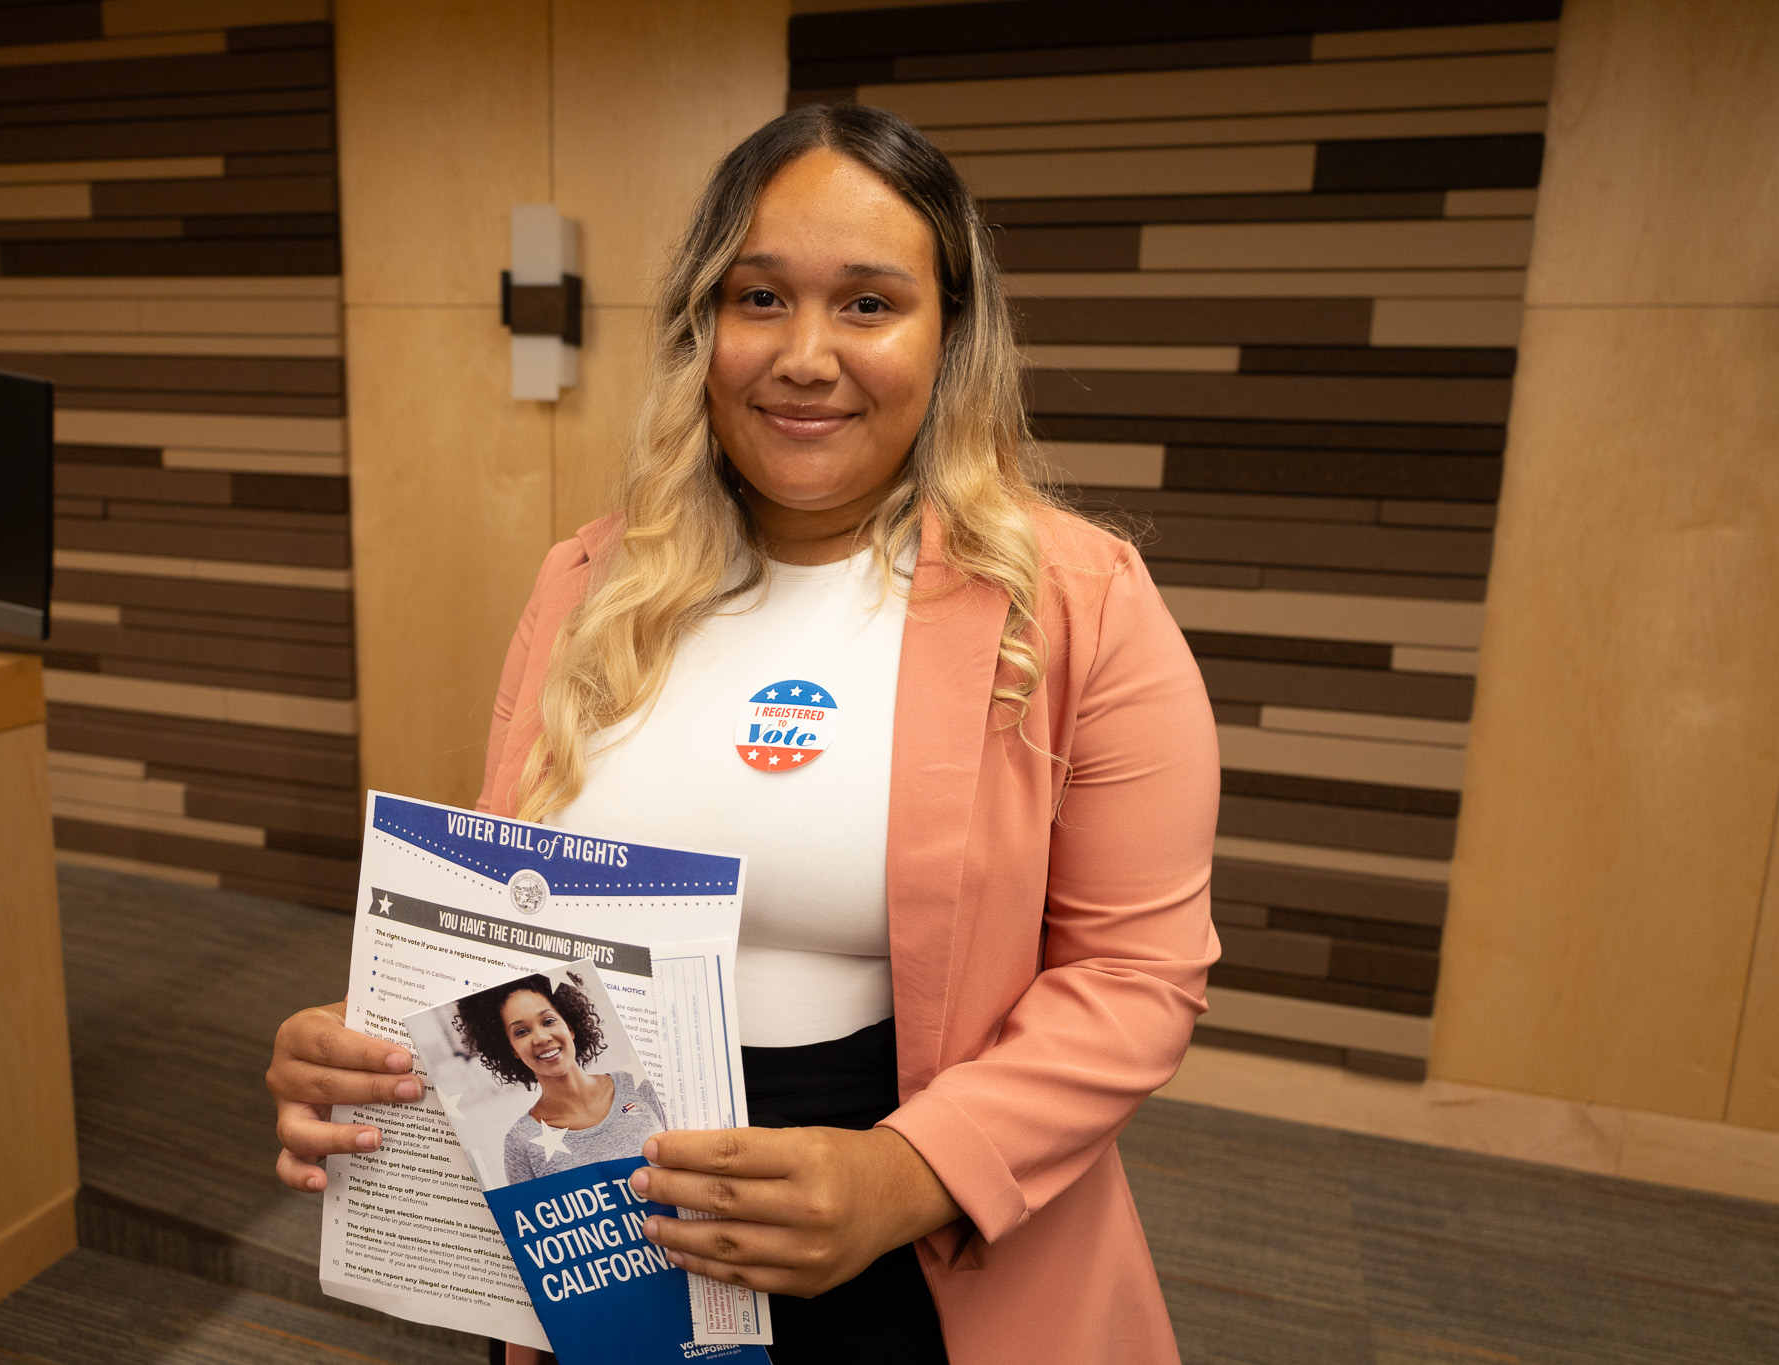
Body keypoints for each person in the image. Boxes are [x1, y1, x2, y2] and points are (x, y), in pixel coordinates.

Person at [268, 102, 1219, 1365]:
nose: (804, 356)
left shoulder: (1075, 601)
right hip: (603, 1227)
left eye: (868, 304)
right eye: (758, 298)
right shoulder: (589, 582)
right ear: (699, 328)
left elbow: (1133, 979)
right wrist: (371, 1044)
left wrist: (904, 1174)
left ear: (950, 337)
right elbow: (509, 915)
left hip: (908, 1233)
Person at [451, 971, 669, 1185]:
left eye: (548, 1021)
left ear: (570, 1027)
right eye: (521, 1032)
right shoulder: (521, 1142)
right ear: (512, 1049)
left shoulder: (638, 1086)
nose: (542, 1038)